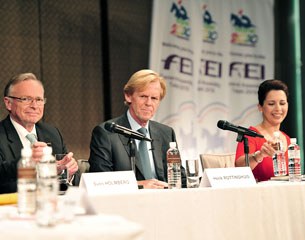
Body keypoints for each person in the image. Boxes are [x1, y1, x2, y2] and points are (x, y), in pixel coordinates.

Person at [89, 69, 186, 188]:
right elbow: (100, 182)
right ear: (128, 96)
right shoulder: (106, 133)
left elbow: (180, 177)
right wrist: (138, 186)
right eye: (143, 96)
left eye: (154, 98)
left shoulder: (166, 133)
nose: (149, 103)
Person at [0, 73, 79, 193]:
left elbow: (69, 183)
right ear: (8, 103)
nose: (34, 106)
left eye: (39, 99)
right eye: (26, 99)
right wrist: (27, 163)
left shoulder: (53, 133)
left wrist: (66, 172)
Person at [235, 79, 290, 182]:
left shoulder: (287, 139)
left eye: (282, 103)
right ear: (260, 107)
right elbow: (239, 167)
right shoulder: (250, 135)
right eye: (271, 104)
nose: (278, 108)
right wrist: (259, 155)